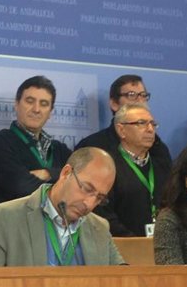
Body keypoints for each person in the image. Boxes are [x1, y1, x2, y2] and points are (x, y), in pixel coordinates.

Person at [0, 148, 125, 267]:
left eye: (99, 198)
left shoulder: (99, 227)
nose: (89, 204)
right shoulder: (3, 218)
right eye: (87, 189)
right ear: (66, 173)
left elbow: (122, 280)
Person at [73, 101, 171, 237]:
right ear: (121, 130)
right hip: (121, 244)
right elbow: (103, 214)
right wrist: (134, 242)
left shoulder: (161, 163)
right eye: (141, 123)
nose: (150, 129)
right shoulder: (108, 167)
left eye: (152, 124)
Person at [0, 75, 71, 203]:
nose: (36, 109)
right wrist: (62, 179)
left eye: (44, 104)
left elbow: (80, 180)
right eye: (30, 101)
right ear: (16, 104)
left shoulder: (60, 149)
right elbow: (21, 187)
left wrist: (48, 173)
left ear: (50, 112)